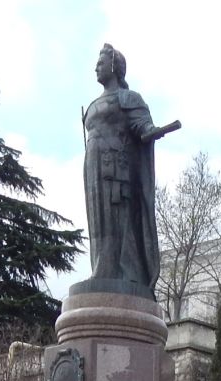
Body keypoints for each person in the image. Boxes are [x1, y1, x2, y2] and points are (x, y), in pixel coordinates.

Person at [79, 44, 179, 294]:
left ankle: (125, 272)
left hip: (116, 168)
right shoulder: (92, 104)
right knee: (98, 221)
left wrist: (151, 131)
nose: (96, 68)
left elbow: (142, 125)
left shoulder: (129, 98)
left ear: (114, 67)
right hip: (93, 168)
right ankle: (101, 269)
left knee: (118, 220)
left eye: (100, 63)